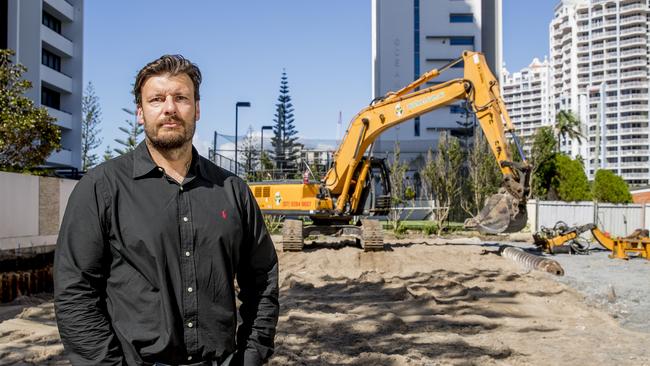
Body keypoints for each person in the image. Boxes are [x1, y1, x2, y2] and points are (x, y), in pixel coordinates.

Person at [54, 55, 279, 366]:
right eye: (157, 99)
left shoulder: (232, 190)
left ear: (197, 109)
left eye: (181, 98)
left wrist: (251, 355)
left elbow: (263, 280)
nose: (170, 108)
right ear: (140, 112)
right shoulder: (100, 188)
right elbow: (75, 291)